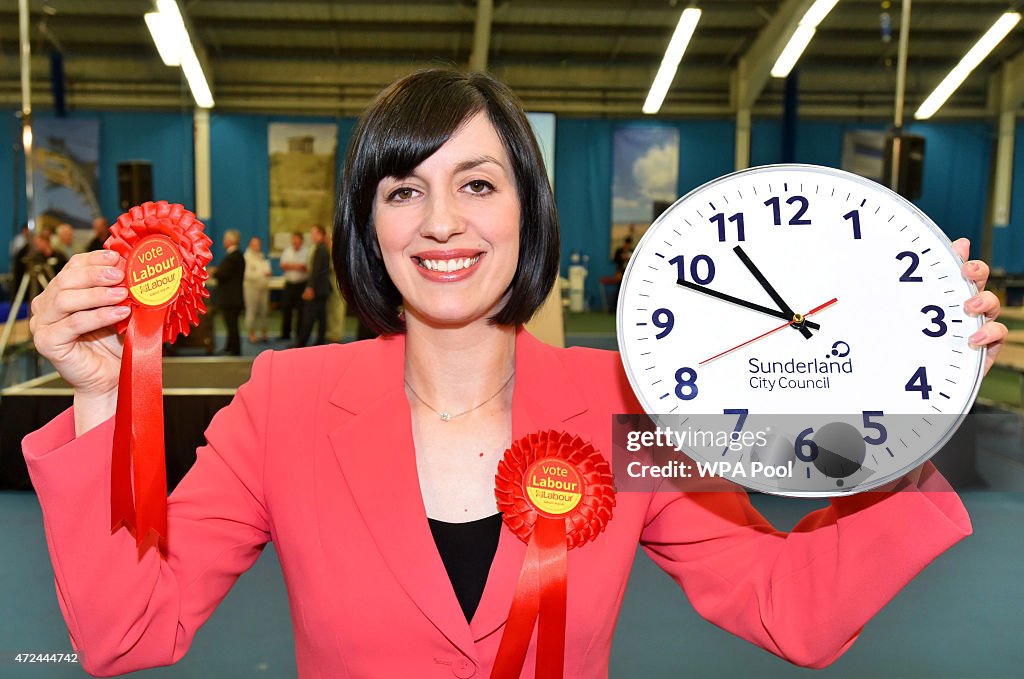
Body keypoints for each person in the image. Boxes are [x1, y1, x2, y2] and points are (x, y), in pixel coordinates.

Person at [23, 69, 1009, 678]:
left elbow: (787, 603)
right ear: (368, 224)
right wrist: (103, 398)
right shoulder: (280, 404)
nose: (442, 221)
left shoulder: (630, 410)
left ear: (526, 212)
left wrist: (914, 407)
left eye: (478, 183)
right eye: (404, 189)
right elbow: (128, 633)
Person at [294, 224, 331, 347]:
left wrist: (310, 287)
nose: (311, 236)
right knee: (321, 317)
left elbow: (316, 270)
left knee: (309, 316)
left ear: (320, 234)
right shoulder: (322, 248)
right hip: (323, 289)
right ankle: (320, 341)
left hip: (317, 289)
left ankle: (301, 343)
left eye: (313, 233)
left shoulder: (320, 249)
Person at [212, 229, 245, 355]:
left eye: (225, 239)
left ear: (231, 241)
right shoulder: (236, 256)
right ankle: (229, 347)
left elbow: (223, 274)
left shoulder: (233, 257)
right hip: (233, 297)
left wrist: (214, 272)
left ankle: (235, 349)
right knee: (230, 324)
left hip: (231, 298)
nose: (223, 241)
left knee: (232, 325)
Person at [277, 230, 308, 341]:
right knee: (286, 309)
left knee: (301, 311)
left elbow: (305, 267)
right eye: (293, 240)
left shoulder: (306, 252)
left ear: (301, 241)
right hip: (289, 285)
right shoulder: (287, 251)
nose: (295, 242)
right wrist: (297, 266)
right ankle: (285, 334)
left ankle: (299, 334)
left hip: (301, 285)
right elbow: (282, 265)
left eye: (297, 240)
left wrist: (290, 266)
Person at [243, 236, 272, 343]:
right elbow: (247, 274)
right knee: (252, 311)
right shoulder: (246, 257)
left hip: (263, 288)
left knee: (264, 311)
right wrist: (262, 274)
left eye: (258, 244)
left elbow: (267, 269)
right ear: (250, 245)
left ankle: (264, 333)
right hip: (251, 288)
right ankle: (252, 334)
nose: (257, 246)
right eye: (254, 244)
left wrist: (265, 274)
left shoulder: (261, 256)